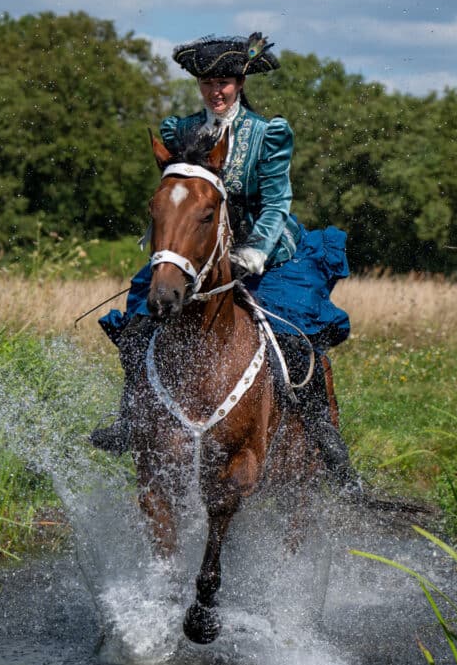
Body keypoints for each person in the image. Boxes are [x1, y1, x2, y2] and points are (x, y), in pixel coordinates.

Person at [91, 33, 357, 488]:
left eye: (227, 82)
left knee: (293, 332)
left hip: (264, 252)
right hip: (197, 251)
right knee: (139, 317)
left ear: (240, 83)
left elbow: (276, 203)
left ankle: (322, 435)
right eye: (209, 82)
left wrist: (255, 250)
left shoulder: (267, 133)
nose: (217, 91)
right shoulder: (180, 131)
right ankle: (127, 420)